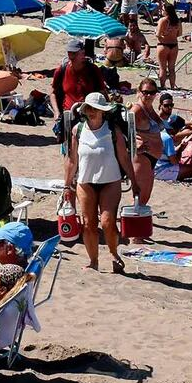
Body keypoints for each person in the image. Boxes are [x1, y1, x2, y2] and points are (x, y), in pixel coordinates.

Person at [64, 92, 133, 273]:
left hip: (110, 181)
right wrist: (66, 185)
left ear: (103, 111)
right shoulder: (78, 130)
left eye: (95, 108)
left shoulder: (113, 130)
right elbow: (72, 160)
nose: (92, 111)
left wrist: (134, 181)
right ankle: (93, 261)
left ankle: (114, 254)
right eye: (89, 108)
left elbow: (124, 158)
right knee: (88, 224)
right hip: (85, 181)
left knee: (107, 222)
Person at [52, 39, 106, 121]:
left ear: (83, 53)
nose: (71, 55)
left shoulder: (93, 70)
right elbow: (53, 93)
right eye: (70, 52)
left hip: (89, 114)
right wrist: (56, 112)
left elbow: (102, 91)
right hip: (69, 114)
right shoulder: (61, 70)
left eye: (74, 53)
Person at [130, 78, 165, 208]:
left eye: (152, 92)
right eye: (146, 92)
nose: (149, 95)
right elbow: (123, 131)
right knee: (139, 198)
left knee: (144, 199)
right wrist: (134, 146)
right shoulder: (136, 110)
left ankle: (134, 217)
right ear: (139, 92)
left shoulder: (149, 108)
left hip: (152, 156)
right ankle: (130, 218)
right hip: (142, 157)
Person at [156, 3, 182, 90]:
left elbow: (158, 34)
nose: (162, 11)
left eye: (163, 10)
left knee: (162, 68)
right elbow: (179, 34)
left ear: (166, 11)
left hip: (163, 45)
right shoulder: (177, 21)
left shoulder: (163, 20)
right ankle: (172, 87)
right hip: (174, 45)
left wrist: (162, 35)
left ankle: (163, 87)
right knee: (171, 68)